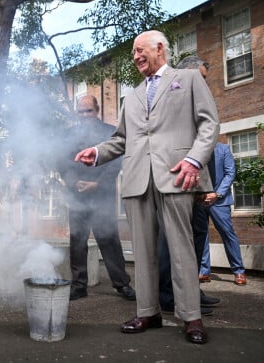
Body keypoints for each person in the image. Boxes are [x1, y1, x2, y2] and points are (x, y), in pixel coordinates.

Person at [75, 30, 220, 344]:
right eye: (133, 53)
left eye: (140, 50)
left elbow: (209, 123)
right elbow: (122, 139)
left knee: (181, 249)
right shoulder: (134, 96)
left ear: (160, 48)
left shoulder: (190, 79)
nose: (136, 56)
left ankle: (190, 317)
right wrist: (98, 152)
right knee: (142, 251)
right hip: (138, 179)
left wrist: (195, 160)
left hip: (177, 174)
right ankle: (148, 311)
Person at [158, 56, 220, 314]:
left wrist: (208, 186)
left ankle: (190, 291)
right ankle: (168, 295)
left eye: (205, 79)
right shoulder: (171, 105)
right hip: (179, 181)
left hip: (201, 181)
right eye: (198, 78)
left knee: (197, 238)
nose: (201, 83)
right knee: (172, 242)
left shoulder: (200, 103)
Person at [59, 94, 136, 301]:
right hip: (77, 195)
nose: (85, 115)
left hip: (102, 193)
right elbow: (62, 163)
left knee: (109, 238)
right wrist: (74, 181)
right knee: (77, 240)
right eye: (81, 112)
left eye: (89, 111)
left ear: (97, 110)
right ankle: (79, 284)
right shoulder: (68, 135)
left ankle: (122, 284)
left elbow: (116, 161)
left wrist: (98, 183)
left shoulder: (110, 132)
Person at [194, 142, 247, 285]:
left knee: (227, 233)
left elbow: (230, 173)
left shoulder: (223, 149)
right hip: (199, 199)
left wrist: (217, 194)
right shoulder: (195, 148)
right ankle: (203, 271)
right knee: (201, 235)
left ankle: (238, 271)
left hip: (219, 201)